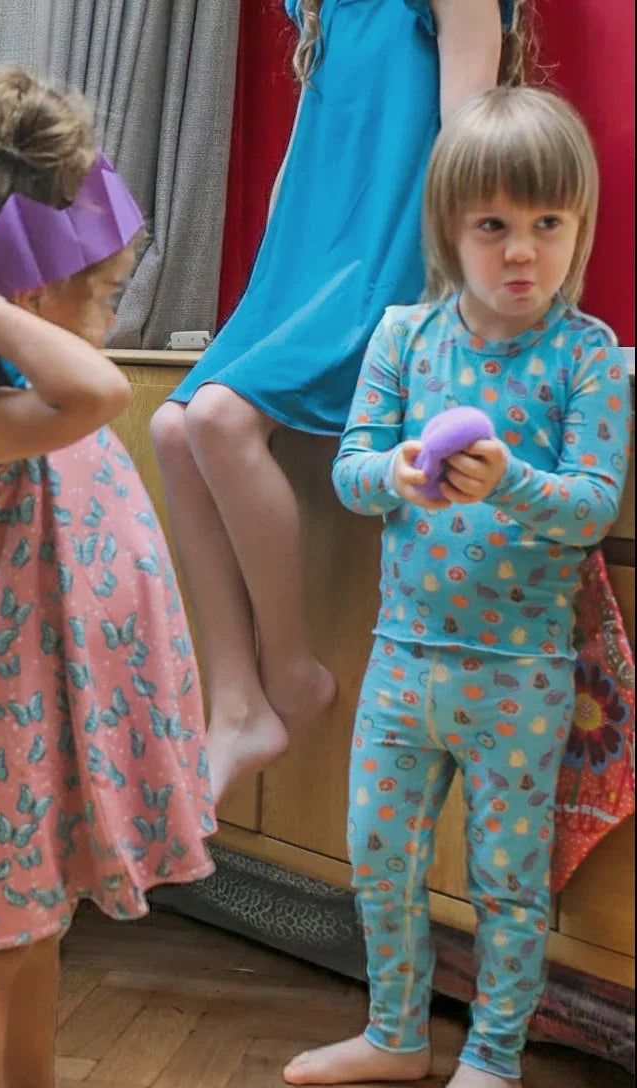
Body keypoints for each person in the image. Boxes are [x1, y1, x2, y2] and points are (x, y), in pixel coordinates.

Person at [284, 86, 631, 1088]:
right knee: (376, 857)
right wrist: (394, 469)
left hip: (518, 673)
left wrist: (508, 482)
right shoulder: (404, 335)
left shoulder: (586, 355)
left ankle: (493, 1057)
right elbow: (347, 473)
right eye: (492, 225)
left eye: (546, 224)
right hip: (401, 659)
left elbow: (588, 506)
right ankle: (394, 1034)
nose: (521, 251)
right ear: (449, 229)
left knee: (506, 881)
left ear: (577, 228)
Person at [0, 66, 217, 1088]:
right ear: (26, 301)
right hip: (5, 702)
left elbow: (80, 369)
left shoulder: (26, 365)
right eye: (97, 293)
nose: (114, 315)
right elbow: (95, 395)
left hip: (63, 691)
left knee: (39, 919)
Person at [149, 0, 527, 802]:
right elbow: (301, 156)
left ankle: (291, 673)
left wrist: (457, 312)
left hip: (383, 264)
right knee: (172, 430)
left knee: (216, 420)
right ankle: (238, 703)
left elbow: (468, 145)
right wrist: (263, 296)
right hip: (300, 265)